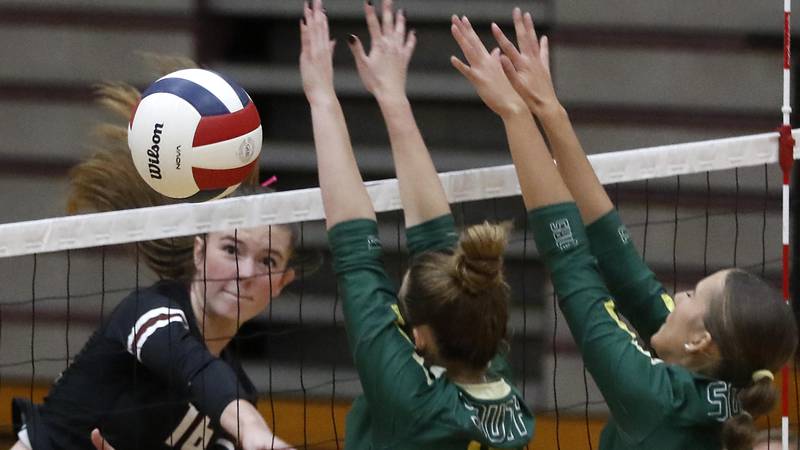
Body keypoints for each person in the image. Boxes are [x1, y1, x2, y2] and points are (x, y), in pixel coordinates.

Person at [450, 8, 798, 450]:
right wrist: (547, 109)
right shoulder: (720, 385)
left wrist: (515, 113)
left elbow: (572, 262)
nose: (680, 295)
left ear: (701, 339)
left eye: (692, 295)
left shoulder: (652, 397)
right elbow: (621, 263)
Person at [10, 57, 297, 450]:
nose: (245, 271)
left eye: (267, 261)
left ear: (282, 283)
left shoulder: (235, 391)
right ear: (200, 251)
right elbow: (189, 365)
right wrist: (258, 434)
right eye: (231, 249)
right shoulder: (151, 313)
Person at [300, 0, 534, 448]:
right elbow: (436, 246)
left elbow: (356, 252)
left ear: (421, 337)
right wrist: (391, 97)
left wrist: (321, 95)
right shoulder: (495, 378)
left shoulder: (410, 398)